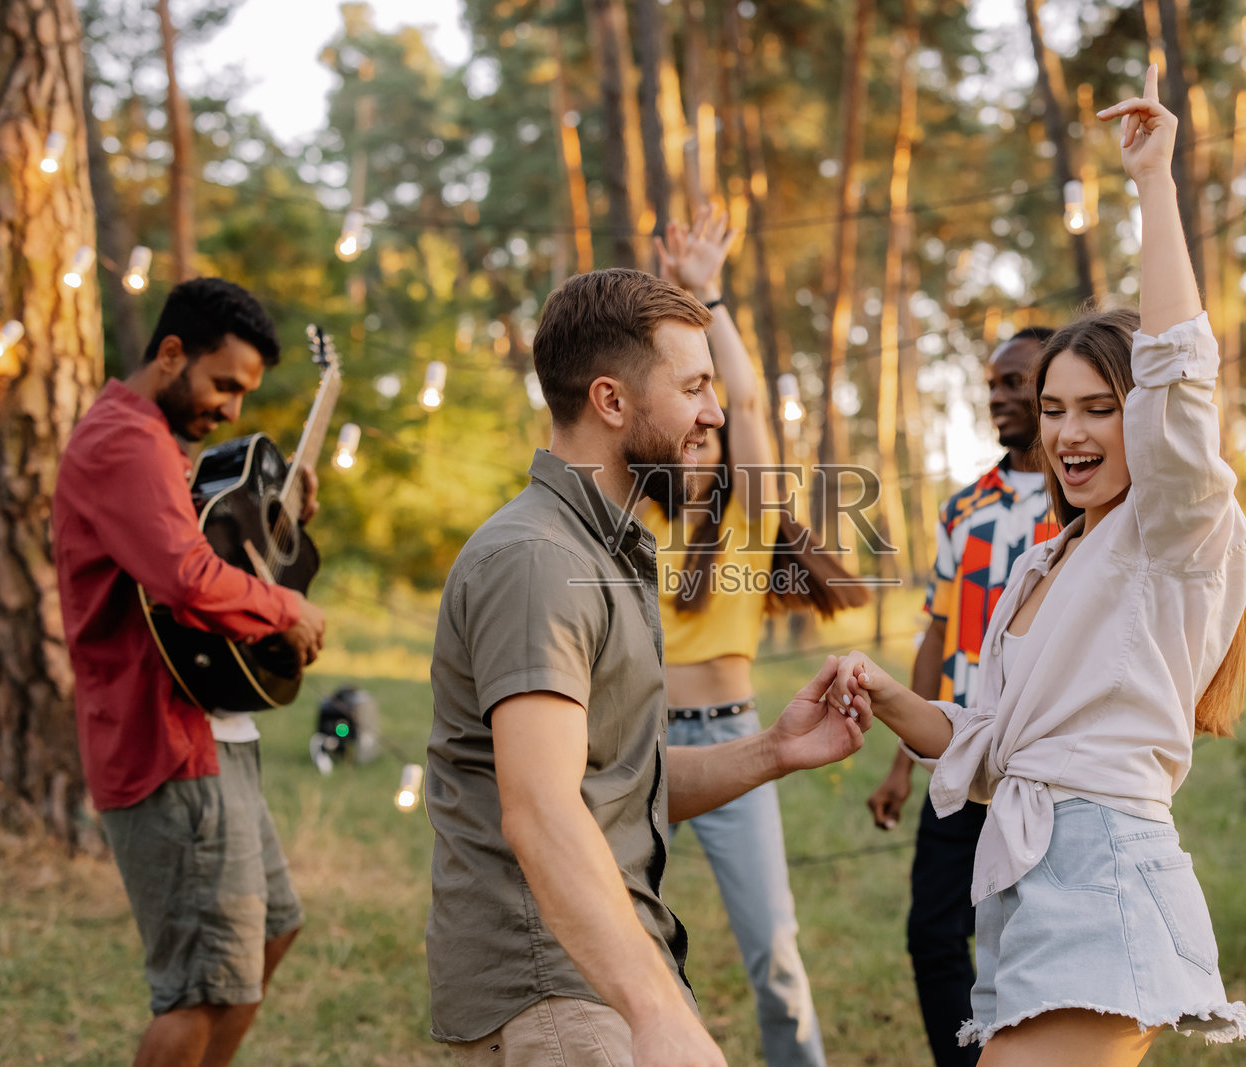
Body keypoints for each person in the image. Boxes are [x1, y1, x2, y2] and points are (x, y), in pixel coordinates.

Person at [825, 67, 1246, 1064]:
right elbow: (987, 747)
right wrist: (887, 694)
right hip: (1023, 881)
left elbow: (1178, 375)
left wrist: (1152, 183)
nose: (1069, 432)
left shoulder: (1172, 526)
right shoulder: (1047, 555)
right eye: (1054, 409)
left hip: (1103, 876)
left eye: (1097, 408)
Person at [426, 267, 867, 1067]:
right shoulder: (540, 560)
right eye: (694, 385)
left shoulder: (604, 550)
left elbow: (617, 784)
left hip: (594, 974)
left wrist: (772, 750)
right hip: (558, 989)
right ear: (612, 401)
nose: (714, 410)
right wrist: (654, 1008)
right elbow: (544, 811)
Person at [52, 277, 326, 1067]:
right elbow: (186, 576)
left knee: (270, 931)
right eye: (224, 384)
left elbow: (198, 530)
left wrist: (276, 507)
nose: (234, 407)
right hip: (165, 746)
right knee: (205, 987)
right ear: (171, 353)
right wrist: (283, 609)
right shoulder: (124, 441)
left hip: (210, 733)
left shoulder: (158, 447)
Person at [641, 207, 868, 1067]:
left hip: (735, 737)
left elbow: (742, 395)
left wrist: (708, 296)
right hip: (638, 745)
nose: (705, 429)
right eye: (686, 420)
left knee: (773, 950)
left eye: (714, 425)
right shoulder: (629, 515)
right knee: (626, 949)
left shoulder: (748, 514)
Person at [864, 324, 1061, 1067]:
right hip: (959, 756)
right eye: (993, 385)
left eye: (1017, 382)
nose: (1000, 398)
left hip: (1041, 765)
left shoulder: (1087, 504)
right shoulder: (963, 509)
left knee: (1028, 938)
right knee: (933, 933)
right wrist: (901, 764)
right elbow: (936, 634)